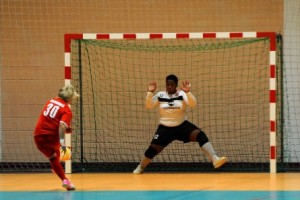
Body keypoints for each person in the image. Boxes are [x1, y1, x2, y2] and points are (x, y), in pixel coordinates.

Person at [133, 74, 228, 174]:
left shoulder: (182, 94)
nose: (169, 87)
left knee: (200, 135)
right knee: (152, 150)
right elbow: (149, 105)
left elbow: (193, 104)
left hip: (182, 126)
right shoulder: (160, 95)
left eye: (172, 85)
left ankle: (214, 159)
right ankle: (141, 167)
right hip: (165, 128)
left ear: (176, 85)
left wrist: (188, 93)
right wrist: (150, 92)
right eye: (167, 85)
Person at [34, 84, 79, 190]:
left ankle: (60, 172)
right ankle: (61, 174)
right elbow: (62, 125)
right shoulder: (67, 110)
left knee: (53, 157)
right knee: (63, 150)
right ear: (70, 98)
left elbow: (51, 119)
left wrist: (65, 129)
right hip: (50, 137)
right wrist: (63, 142)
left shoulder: (51, 101)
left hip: (38, 135)